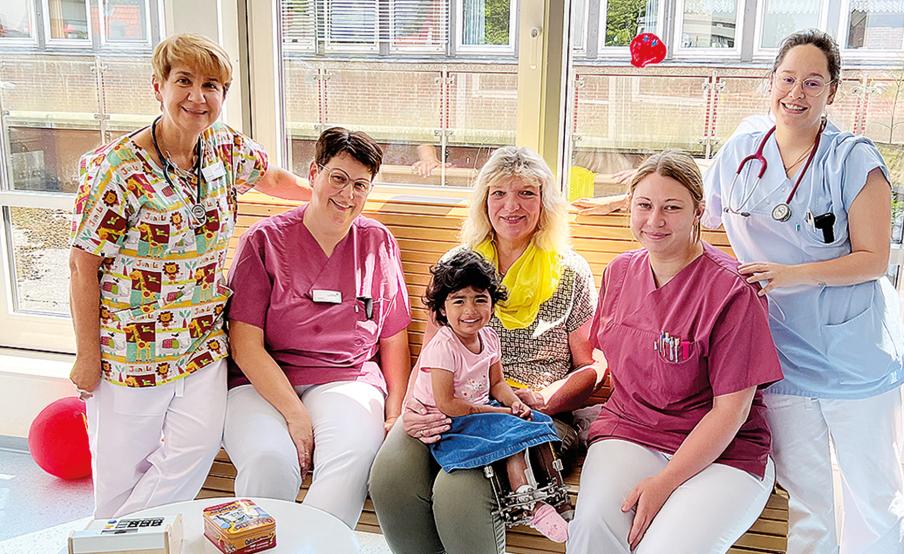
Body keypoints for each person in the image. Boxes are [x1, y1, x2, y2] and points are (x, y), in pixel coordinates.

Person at [68, 33, 311, 518]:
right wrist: (87, 358)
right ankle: (115, 541)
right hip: (131, 352)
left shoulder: (223, 146)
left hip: (201, 342)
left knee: (193, 452)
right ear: (157, 87)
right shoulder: (115, 169)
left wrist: (329, 198)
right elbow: (82, 264)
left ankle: (122, 537)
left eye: (212, 85)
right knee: (119, 480)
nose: (198, 97)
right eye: (184, 81)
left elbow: (273, 179)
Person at [702, 30, 904, 553]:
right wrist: (619, 202)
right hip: (779, 354)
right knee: (806, 495)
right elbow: (702, 220)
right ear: (770, 82)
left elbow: (874, 259)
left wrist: (793, 274)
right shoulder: (740, 150)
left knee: (873, 495)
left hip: (852, 351)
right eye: (788, 79)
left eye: (813, 82)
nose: (796, 93)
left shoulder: (853, 160)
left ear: (832, 92)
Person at [369, 146, 601, 554]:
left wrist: (545, 399)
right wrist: (415, 410)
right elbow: (431, 356)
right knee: (390, 477)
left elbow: (591, 367)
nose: (511, 205)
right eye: (499, 193)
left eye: (527, 193)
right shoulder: (455, 267)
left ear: (545, 203)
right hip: (454, 402)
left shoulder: (571, 272)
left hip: (529, 416)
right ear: (483, 201)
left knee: (457, 490)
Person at [567, 150, 783, 553]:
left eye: (672, 207)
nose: (655, 220)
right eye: (644, 205)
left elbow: (731, 412)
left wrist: (665, 484)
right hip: (631, 432)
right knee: (593, 530)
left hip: (724, 452)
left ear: (698, 211)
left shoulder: (733, 290)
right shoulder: (619, 272)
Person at [221, 127, 411, 528]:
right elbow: (245, 346)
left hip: (347, 379)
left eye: (361, 185)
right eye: (338, 178)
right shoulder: (264, 241)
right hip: (262, 383)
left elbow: (394, 338)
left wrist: (395, 413)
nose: (347, 194)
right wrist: (295, 414)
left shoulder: (377, 242)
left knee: (353, 458)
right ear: (313, 174)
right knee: (268, 460)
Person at [413, 249, 569, 542]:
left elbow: (496, 383)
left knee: (534, 423)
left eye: (480, 299)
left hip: (482, 408)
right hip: (449, 420)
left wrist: (515, 403)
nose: (470, 310)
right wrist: (500, 413)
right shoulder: (443, 347)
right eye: (459, 301)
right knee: (509, 431)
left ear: (493, 305)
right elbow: (447, 403)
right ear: (443, 309)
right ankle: (530, 505)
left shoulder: (489, 337)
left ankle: (550, 496)